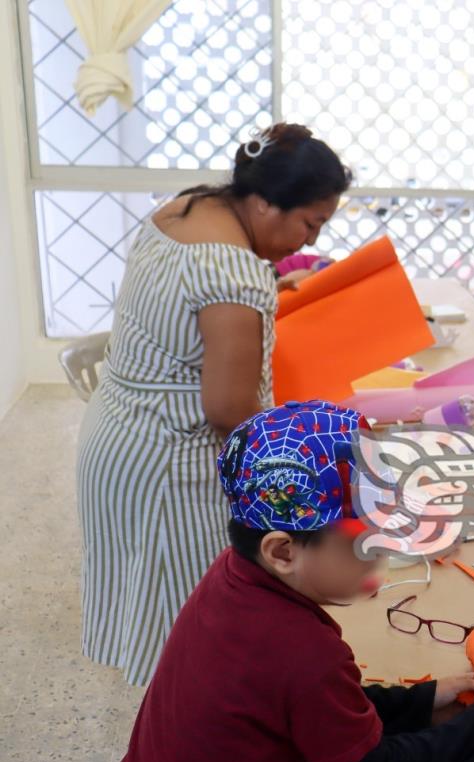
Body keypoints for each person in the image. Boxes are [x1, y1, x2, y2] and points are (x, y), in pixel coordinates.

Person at [84, 401, 474, 762]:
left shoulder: (232, 575)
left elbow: (308, 706)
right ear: (282, 552)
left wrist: (424, 700)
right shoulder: (302, 651)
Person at [76, 124, 351, 686]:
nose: (310, 242)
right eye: (310, 223)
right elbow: (228, 409)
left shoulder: (183, 210)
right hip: (169, 463)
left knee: (157, 610)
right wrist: (307, 461)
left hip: (116, 437)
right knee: (198, 622)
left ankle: (176, 729)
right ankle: (193, 745)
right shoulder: (233, 275)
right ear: (266, 203)